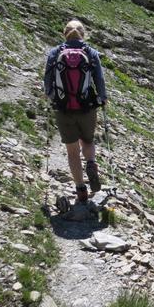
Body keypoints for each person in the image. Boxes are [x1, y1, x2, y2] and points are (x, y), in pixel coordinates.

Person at [44, 20, 108, 203]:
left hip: (63, 108)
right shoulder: (91, 53)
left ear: (64, 33)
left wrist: (51, 96)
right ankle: (91, 163)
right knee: (87, 141)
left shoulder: (55, 53)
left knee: (72, 151)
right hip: (86, 106)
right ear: (83, 34)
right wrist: (102, 98)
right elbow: (99, 79)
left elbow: (47, 79)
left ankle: (81, 190)